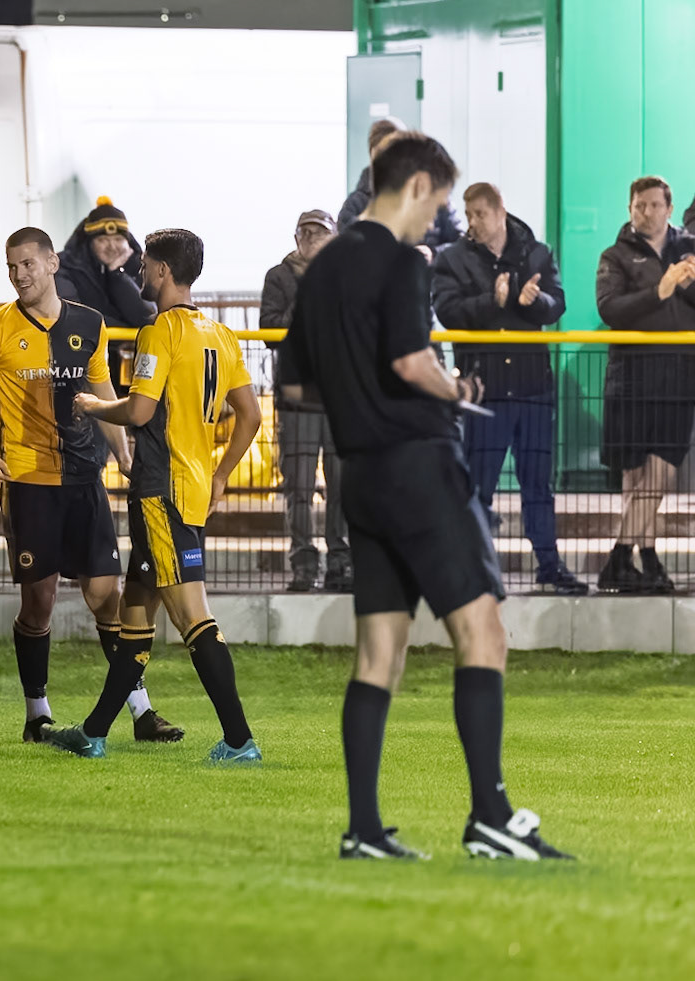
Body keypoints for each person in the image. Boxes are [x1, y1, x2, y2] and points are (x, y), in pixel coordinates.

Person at [282, 132, 570, 861]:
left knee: (378, 654)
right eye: (438, 201)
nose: (437, 218)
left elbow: (294, 387)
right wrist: (456, 387)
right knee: (484, 631)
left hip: (361, 477)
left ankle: (364, 830)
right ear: (416, 186)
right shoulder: (404, 260)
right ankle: (490, 818)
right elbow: (414, 362)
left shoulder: (320, 268)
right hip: (418, 465)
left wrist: (359, 399)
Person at [0, 227, 181, 745]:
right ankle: (37, 714)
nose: (19, 275)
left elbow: (103, 391)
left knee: (106, 597)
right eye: (11, 266)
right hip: (29, 482)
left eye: (27, 264)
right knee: (39, 604)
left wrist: (122, 453)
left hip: (85, 478)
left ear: (52, 263)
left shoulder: (89, 323)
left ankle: (141, 711)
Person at [52, 228, 262, 762]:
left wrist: (93, 406)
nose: (141, 272)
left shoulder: (160, 330)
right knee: (136, 615)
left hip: (160, 490)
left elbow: (140, 410)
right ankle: (94, 732)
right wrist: (221, 475)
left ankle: (239, 740)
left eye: (146, 264)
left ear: (163, 271)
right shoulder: (220, 334)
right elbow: (251, 414)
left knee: (192, 615)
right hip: (190, 487)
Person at [431, 182, 585, 596]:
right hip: (486, 391)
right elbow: (447, 312)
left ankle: (549, 566)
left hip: (533, 388)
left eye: (480, 214)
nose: (473, 222)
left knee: (538, 485)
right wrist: (491, 301)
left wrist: (534, 301)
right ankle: (474, 568)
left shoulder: (536, 253)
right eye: (469, 215)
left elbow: (557, 303)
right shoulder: (453, 259)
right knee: (478, 487)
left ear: (501, 212)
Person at [594, 176, 695, 594]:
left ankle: (619, 559)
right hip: (631, 377)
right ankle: (647, 561)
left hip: (678, 378)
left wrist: (687, 286)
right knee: (634, 478)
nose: (647, 212)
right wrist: (660, 290)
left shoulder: (688, 250)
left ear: (669, 209)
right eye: (640, 205)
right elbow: (610, 309)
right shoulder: (615, 255)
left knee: (660, 472)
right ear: (630, 208)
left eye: (655, 205)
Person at [262, 210, 350, 593]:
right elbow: (270, 330)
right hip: (297, 400)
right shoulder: (278, 277)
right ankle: (303, 565)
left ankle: (341, 563)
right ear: (296, 238)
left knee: (342, 486)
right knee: (298, 486)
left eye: (320, 233)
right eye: (306, 232)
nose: (312, 238)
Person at [55, 196, 156, 392]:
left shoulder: (139, 265)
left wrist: (117, 274)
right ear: (89, 242)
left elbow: (147, 316)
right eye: (103, 240)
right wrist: (127, 326)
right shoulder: (65, 266)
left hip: (135, 364)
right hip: (85, 363)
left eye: (118, 239)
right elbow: (73, 315)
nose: (112, 247)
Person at [338, 117, 461, 252]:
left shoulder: (436, 198)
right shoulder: (354, 207)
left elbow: (458, 242)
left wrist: (432, 252)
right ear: (373, 155)